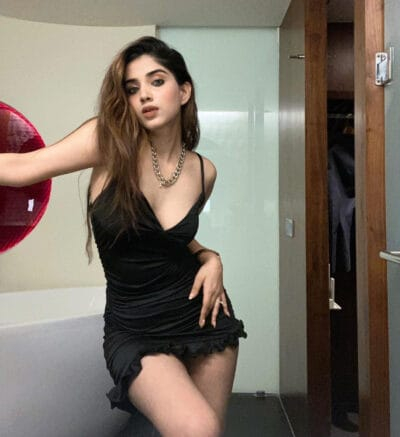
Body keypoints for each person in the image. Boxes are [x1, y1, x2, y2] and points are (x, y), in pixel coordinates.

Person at [0, 36, 247, 437]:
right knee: (197, 428)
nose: (144, 94)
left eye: (157, 81)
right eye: (133, 88)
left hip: (203, 317)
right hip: (134, 327)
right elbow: (21, 168)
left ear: (184, 91)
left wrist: (210, 257)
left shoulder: (205, 172)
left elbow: (170, 241)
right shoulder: (108, 142)